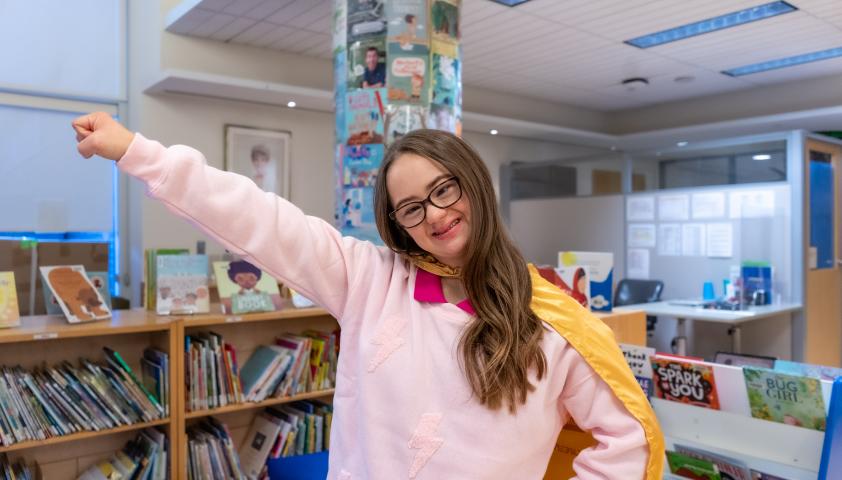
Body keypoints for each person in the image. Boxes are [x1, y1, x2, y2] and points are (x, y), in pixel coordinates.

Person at [72, 112, 664, 479]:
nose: (435, 215)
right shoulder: (369, 279)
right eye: (412, 207)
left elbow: (629, 440)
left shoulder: (554, 322)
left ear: (475, 184)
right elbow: (257, 217)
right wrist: (136, 151)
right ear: (397, 223)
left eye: (444, 190)